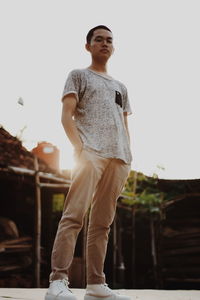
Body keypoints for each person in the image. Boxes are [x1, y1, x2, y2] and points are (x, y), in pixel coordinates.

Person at [45, 25, 133, 300]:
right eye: (99, 39)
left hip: (119, 159)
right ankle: (58, 281)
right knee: (73, 217)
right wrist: (80, 148)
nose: (105, 44)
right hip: (90, 155)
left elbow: (124, 124)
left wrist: (128, 155)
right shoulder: (78, 76)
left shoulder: (121, 86)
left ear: (113, 47)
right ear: (88, 46)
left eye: (109, 40)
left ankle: (96, 284)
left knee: (102, 224)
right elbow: (66, 116)